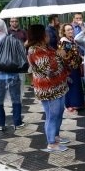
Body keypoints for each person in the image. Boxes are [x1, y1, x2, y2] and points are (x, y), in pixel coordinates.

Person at [27, 24, 70, 152]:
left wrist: (60, 54)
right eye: (45, 33)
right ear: (40, 35)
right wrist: (59, 55)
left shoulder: (46, 47)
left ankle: (55, 136)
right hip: (48, 89)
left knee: (59, 112)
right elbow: (49, 69)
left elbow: (57, 60)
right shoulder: (34, 50)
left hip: (58, 86)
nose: (48, 35)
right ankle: (51, 143)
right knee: (52, 115)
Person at [59, 23, 85, 114]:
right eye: (68, 30)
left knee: (77, 84)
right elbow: (62, 55)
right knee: (71, 85)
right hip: (69, 68)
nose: (71, 31)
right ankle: (69, 104)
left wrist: (81, 57)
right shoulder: (64, 41)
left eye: (71, 29)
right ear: (64, 32)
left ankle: (78, 103)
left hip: (76, 66)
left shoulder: (71, 40)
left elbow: (75, 52)